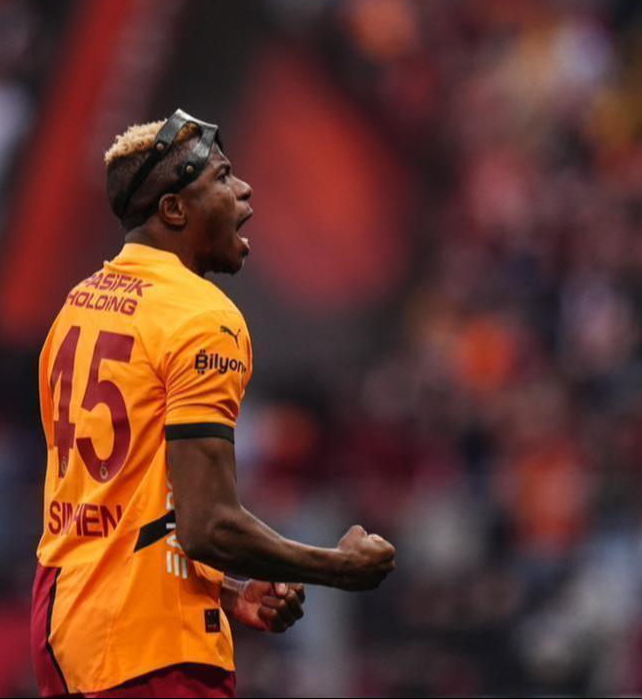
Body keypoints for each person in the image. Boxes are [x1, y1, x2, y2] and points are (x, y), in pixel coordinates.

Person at [31, 110, 397, 698]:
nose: (244, 189)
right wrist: (336, 567)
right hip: (152, 651)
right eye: (223, 178)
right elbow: (210, 526)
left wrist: (225, 591)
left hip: (67, 629)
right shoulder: (202, 318)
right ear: (174, 210)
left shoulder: (76, 306)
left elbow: (120, 512)